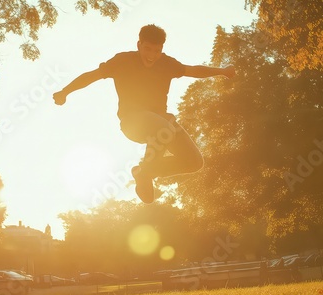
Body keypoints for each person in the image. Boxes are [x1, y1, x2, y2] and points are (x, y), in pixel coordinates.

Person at [53, 24, 235, 204]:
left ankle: (146, 172)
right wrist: (65, 92)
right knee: (164, 123)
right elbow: (91, 76)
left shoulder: (167, 64)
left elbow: (193, 70)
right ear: (139, 45)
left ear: (162, 49)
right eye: (147, 49)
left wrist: (222, 72)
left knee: (194, 162)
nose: (151, 56)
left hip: (162, 125)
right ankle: (147, 171)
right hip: (132, 122)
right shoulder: (122, 61)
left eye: (157, 51)